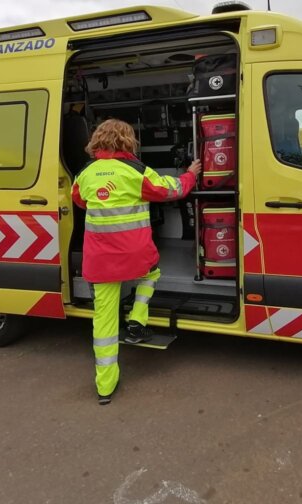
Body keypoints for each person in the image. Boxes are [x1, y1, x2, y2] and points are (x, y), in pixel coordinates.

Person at [71, 119, 201, 405]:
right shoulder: (136, 171)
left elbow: (78, 200)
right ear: (127, 140)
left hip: (100, 262)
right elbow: (172, 190)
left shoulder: (85, 174)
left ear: (97, 141)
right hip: (136, 257)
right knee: (151, 274)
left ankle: (105, 387)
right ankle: (137, 321)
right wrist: (190, 173)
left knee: (103, 323)